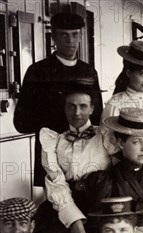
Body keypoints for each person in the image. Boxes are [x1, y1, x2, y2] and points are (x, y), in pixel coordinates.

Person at [13, 12, 102, 186]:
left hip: (87, 156)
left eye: (75, 34)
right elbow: (21, 122)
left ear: (80, 36)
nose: (70, 40)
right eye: (64, 35)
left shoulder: (88, 72)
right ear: (53, 36)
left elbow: (97, 116)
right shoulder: (38, 71)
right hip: (52, 155)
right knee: (55, 206)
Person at [33, 77, 113, 233]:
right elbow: (56, 181)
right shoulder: (54, 140)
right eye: (71, 106)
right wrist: (74, 221)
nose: (77, 112)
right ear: (64, 107)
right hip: (66, 202)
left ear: (92, 108)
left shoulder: (105, 134)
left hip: (101, 204)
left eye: (83, 106)